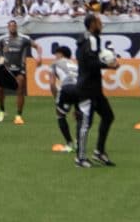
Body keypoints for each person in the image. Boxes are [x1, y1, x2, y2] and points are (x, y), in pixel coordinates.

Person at [72, 14, 115, 168]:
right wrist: (109, 65)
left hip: (94, 88)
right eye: (99, 22)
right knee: (85, 123)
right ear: (92, 24)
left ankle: (99, 152)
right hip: (87, 88)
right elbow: (91, 63)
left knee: (108, 116)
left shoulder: (86, 39)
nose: (101, 25)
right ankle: (80, 158)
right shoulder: (92, 39)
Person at [0, 19, 35, 125]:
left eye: (14, 26)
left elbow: (37, 46)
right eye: (10, 26)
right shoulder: (2, 39)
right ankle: (2, 110)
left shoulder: (24, 39)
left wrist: (38, 57)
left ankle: (19, 115)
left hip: (19, 69)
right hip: (6, 69)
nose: (12, 27)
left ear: (16, 27)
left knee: (20, 90)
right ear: (8, 27)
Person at [49, 44, 82, 146]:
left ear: (61, 54)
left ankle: (69, 144)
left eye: (56, 54)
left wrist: (56, 98)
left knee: (60, 114)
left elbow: (52, 84)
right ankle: (79, 143)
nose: (55, 56)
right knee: (79, 116)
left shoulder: (55, 64)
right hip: (81, 88)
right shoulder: (75, 64)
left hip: (67, 88)